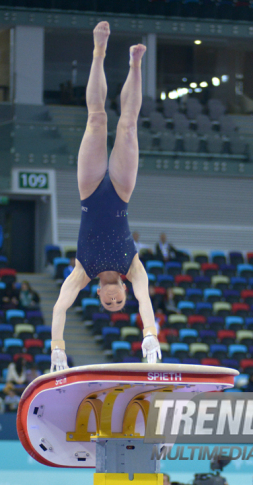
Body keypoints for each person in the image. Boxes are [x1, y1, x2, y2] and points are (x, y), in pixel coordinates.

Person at [50, 23, 160, 371]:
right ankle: (135, 65)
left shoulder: (83, 271)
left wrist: (57, 348)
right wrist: (150, 334)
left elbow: (59, 307)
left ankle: (98, 51)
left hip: (90, 187)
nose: (114, 300)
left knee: (96, 120)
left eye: (108, 303)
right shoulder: (133, 268)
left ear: (98, 294)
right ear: (123, 293)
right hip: (122, 191)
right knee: (127, 124)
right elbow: (146, 300)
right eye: (118, 303)